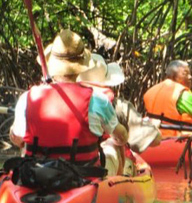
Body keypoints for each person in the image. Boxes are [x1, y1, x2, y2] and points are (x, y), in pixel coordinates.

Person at [9, 29, 128, 176]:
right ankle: (121, 187)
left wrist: (15, 135)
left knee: (23, 148)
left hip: (37, 175)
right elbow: (121, 137)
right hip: (84, 175)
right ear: (81, 67)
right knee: (113, 145)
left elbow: (17, 138)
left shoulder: (28, 98)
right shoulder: (97, 99)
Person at [74, 52, 161, 175]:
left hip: (70, 165)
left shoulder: (66, 100)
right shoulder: (117, 105)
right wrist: (155, 129)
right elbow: (155, 140)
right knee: (115, 144)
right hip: (103, 166)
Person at [143, 60, 192, 137]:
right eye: (185, 73)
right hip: (176, 140)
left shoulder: (150, 91)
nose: (190, 77)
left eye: (190, 74)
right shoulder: (182, 95)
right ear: (173, 76)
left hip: (153, 138)